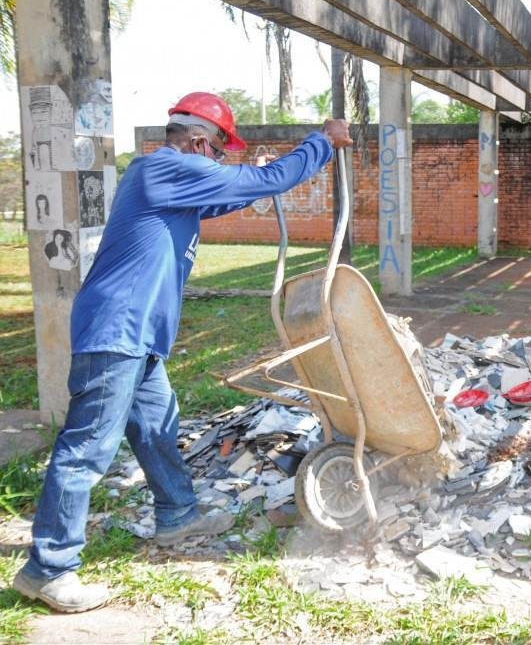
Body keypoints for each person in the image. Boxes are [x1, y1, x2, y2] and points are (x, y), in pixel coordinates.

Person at [13, 92, 353, 613]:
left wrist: (252, 174)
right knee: (86, 450)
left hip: (139, 335)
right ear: (198, 140)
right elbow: (261, 184)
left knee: (155, 427)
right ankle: (48, 569)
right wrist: (321, 143)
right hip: (117, 331)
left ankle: (177, 515)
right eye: (218, 151)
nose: (218, 161)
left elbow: (234, 194)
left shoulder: (173, 179)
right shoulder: (161, 169)